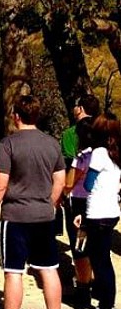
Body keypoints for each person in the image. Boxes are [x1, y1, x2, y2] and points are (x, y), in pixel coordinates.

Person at [0, 95, 65, 309]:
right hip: (43, 215)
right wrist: (47, 203)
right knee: (49, 268)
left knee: (13, 272)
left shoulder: (8, 144)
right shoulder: (52, 144)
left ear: (16, 115)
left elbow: (0, 183)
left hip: (16, 216)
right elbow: (60, 180)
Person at [77, 113, 121, 309]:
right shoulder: (115, 153)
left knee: (99, 261)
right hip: (112, 211)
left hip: (98, 212)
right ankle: (107, 305)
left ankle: (105, 308)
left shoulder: (99, 153)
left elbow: (88, 185)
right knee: (104, 260)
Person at [63, 117, 94, 309]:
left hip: (79, 204)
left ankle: (83, 290)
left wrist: (62, 195)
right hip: (99, 203)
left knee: (80, 248)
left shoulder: (82, 157)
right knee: (95, 248)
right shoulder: (108, 154)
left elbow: (68, 182)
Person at [60, 94, 100, 240]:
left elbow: (70, 162)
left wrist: (63, 192)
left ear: (80, 109)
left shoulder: (70, 134)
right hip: (102, 196)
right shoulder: (106, 130)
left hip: (78, 195)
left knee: (79, 244)